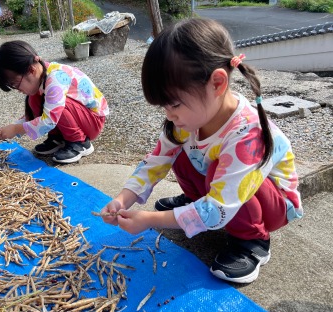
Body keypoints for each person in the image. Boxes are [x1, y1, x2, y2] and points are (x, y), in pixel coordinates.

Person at [100, 18, 303, 284]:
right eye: (164, 107)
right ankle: (195, 206)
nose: (169, 115)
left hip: (271, 204)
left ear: (217, 83)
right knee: (179, 155)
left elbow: (219, 206)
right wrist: (123, 198)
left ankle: (252, 242)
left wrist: (151, 219)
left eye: (174, 104)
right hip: (225, 189)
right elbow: (157, 160)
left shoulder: (247, 135)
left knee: (222, 176)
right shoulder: (188, 120)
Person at [0, 40, 108, 164]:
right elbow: (32, 116)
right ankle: (57, 138)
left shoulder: (56, 78)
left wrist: (16, 129)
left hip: (93, 120)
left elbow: (49, 120)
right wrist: (12, 127)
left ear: (31, 70)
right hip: (81, 117)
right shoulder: (42, 76)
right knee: (34, 99)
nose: (17, 90)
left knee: (57, 106)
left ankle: (80, 143)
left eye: (15, 84)